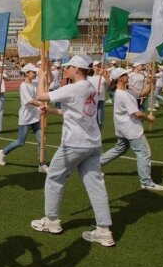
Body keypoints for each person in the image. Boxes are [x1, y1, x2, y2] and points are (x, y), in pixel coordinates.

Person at [31, 55, 115, 247]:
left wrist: (42, 76)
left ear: (77, 69)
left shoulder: (74, 87)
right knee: (96, 186)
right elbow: (73, 111)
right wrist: (50, 111)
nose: (65, 69)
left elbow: (41, 96)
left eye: (68, 67)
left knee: (54, 177)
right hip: (93, 143)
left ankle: (51, 220)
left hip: (74, 143)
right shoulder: (91, 87)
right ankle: (104, 230)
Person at [100, 68, 163, 191]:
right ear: (120, 78)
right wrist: (149, 118)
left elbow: (142, 94)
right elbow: (137, 113)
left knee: (119, 149)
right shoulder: (123, 95)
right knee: (144, 153)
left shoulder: (124, 92)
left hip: (122, 128)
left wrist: (149, 83)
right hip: (131, 129)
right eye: (125, 75)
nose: (128, 76)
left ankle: (96, 165)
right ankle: (146, 182)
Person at [0, 63, 47, 172]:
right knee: (21, 142)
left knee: (41, 140)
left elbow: (48, 81)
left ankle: (42, 164)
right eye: (33, 72)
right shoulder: (23, 86)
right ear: (27, 73)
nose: (35, 74)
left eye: (35, 72)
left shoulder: (34, 84)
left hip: (35, 116)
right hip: (25, 117)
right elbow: (30, 101)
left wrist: (47, 69)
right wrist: (41, 105)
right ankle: (2, 152)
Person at [87, 61, 109, 130]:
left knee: (100, 121)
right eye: (97, 66)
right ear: (93, 67)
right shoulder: (89, 78)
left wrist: (105, 76)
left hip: (100, 101)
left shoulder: (103, 78)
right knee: (91, 120)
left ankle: (98, 135)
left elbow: (110, 85)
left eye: (100, 66)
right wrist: (94, 92)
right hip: (91, 101)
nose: (99, 67)